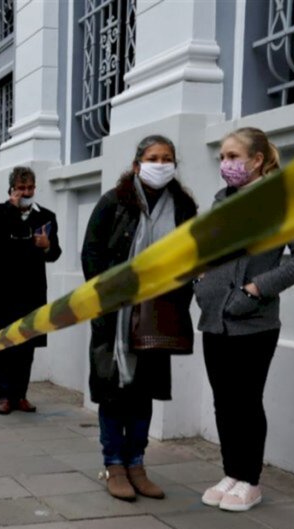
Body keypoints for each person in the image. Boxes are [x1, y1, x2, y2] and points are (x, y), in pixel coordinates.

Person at [196, 127, 294, 512]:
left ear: (258, 160)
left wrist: (255, 290)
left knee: (246, 401)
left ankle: (250, 480)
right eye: (222, 158)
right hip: (214, 319)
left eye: (233, 157)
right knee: (223, 401)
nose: (226, 164)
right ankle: (231, 472)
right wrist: (201, 279)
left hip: (253, 321)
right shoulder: (221, 203)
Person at [81, 136, 198, 501]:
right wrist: (111, 296)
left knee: (143, 394)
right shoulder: (114, 202)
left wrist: (172, 297)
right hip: (115, 315)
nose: (160, 164)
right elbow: (92, 254)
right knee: (113, 393)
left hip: (156, 315)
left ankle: (137, 465)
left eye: (167, 158)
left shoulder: (182, 205)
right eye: (153, 158)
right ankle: (114, 465)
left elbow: (190, 258)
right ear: (136, 164)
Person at [0, 166, 62, 415]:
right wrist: (11, 208)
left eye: (30, 188)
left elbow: (55, 254)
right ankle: (4, 395)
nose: (26, 192)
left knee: (26, 345)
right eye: (21, 188)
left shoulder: (46, 216)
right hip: (3, 289)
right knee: (5, 343)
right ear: (12, 189)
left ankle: (21, 395)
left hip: (32, 290)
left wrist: (47, 246)